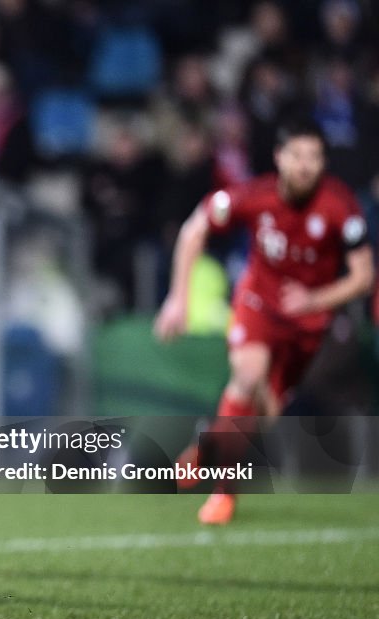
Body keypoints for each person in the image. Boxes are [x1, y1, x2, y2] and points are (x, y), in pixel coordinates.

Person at [154, 119, 373, 524]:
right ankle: (223, 493)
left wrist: (314, 299)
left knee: (263, 415)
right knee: (248, 375)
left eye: (314, 157)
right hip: (258, 305)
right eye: (297, 155)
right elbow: (193, 230)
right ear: (279, 158)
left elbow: (363, 276)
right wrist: (177, 298)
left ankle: (209, 446)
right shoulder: (254, 196)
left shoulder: (340, 206)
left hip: (307, 326)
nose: (305, 165)